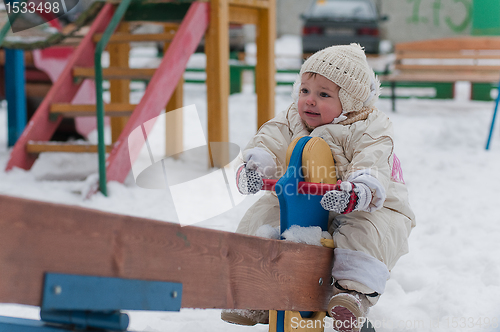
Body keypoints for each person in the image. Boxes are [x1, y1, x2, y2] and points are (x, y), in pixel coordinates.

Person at [221, 44, 415, 332]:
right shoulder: (292, 120)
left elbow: (372, 160)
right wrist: (255, 168)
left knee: (365, 232)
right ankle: (258, 288)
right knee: (261, 217)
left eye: (323, 94)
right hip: (302, 196)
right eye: (305, 91)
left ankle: (351, 295)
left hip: (366, 202)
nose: (309, 101)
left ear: (349, 102)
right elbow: (268, 141)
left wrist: (358, 190)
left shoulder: (369, 127)